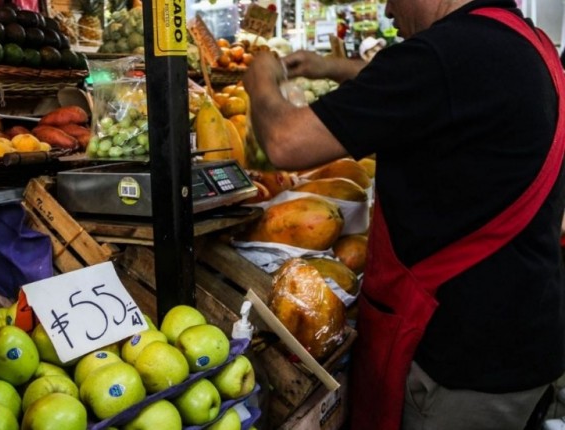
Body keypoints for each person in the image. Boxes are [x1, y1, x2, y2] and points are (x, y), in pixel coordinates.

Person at [242, 0, 565, 428]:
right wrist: (331, 67)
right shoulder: (518, 41)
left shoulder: (446, 53)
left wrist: (261, 81)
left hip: (461, 364)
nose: (389, 9)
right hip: (521, 327)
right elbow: (429, 88)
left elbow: (286, 141)